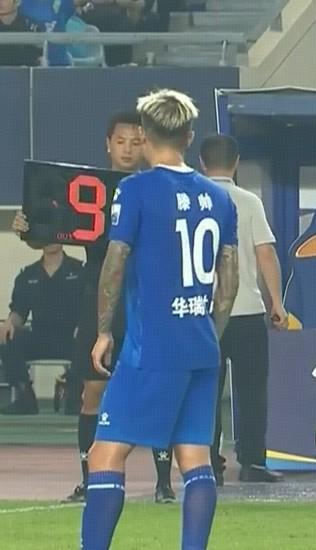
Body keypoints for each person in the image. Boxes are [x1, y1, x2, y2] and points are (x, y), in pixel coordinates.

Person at [81, 88, 239, 550]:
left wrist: (104, 330)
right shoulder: (219, 197)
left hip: (151, 346)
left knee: (105, 454)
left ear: (145, 136)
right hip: (200, 345)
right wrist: (210, 334)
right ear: (189, 136)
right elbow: (228, 281)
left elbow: (115, 261)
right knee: (195, 458)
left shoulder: (135, 190)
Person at [12, 112, 176, 503]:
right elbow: (48, 233)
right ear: (107, 144)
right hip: (99, 299)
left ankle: (164, 484)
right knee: (93, 392)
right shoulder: (87, 190)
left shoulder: (161, 189)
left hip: (148, 298)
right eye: (120, 141)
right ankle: (90, 480)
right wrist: (27, 229)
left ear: (147, 144)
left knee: (155, 390)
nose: (128, 149)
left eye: (136, 141)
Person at [199, 133, 287, 485]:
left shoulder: (193, 199)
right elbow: (266, 253)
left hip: (203, 313)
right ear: (236, 163)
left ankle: (208, 463)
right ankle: (253, 462)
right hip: (247, 310)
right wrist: (277, 302)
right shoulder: (249, 201)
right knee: (252, 391)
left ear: (202, 163)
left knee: (205, 391)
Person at [0, 244, 82, 414]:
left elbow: (90, 306)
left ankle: (75, 397)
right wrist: (9, 322)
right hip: (39, 337)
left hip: (71, 338)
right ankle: (25, 397)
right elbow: (19, 312)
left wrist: (84, 325)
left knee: (88, 338)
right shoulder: (28, 274)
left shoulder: (79, 270)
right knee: (8, 336)